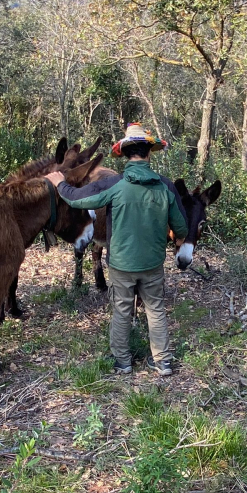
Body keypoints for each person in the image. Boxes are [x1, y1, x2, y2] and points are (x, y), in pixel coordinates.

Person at [44, 124, 188, 376]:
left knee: (122, 311)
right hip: (153, 263)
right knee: (155, 309)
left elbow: (78, 199)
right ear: (149, 154)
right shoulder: (165, 187)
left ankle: (122, 362)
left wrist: (60, 184)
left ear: (123, 154)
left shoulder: (114, 185)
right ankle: (163, 361)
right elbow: (181, 227)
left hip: (121, 264)